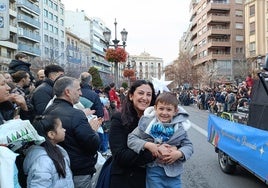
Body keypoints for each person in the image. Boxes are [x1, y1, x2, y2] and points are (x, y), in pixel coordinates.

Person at [43, 76, 102, 188]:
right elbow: (92, 143)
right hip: (79, 170)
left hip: (59, 167)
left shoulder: (48, 110)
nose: (80, 93)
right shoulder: (76, 114)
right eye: (78, 89)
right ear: (68, 92)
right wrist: (93, 131)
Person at [128, 92, 193, 188]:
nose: (164, 113)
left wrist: (179, 153)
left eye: (169, 109)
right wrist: (149, 145)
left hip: (174, 173)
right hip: (154, 171)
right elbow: (131, 138)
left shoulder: (180, 127)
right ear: (155, 108)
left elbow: (189, 146)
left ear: (175, 111)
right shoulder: (147, 124)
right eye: (161, 108)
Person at [108, 80, 157, 188]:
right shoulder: (119, 118)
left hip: (152, 178)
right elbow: (120, 155)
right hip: (126, 179)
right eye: (141, 93)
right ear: (131, 96)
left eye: (149, 94)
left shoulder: (157, 120)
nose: (145, 98)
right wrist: (153, 153)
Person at [23, 115, 74, 188]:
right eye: (61, 127)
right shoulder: (43, 162)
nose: (64, 130)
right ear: (51, 134)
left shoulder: (59, 150)